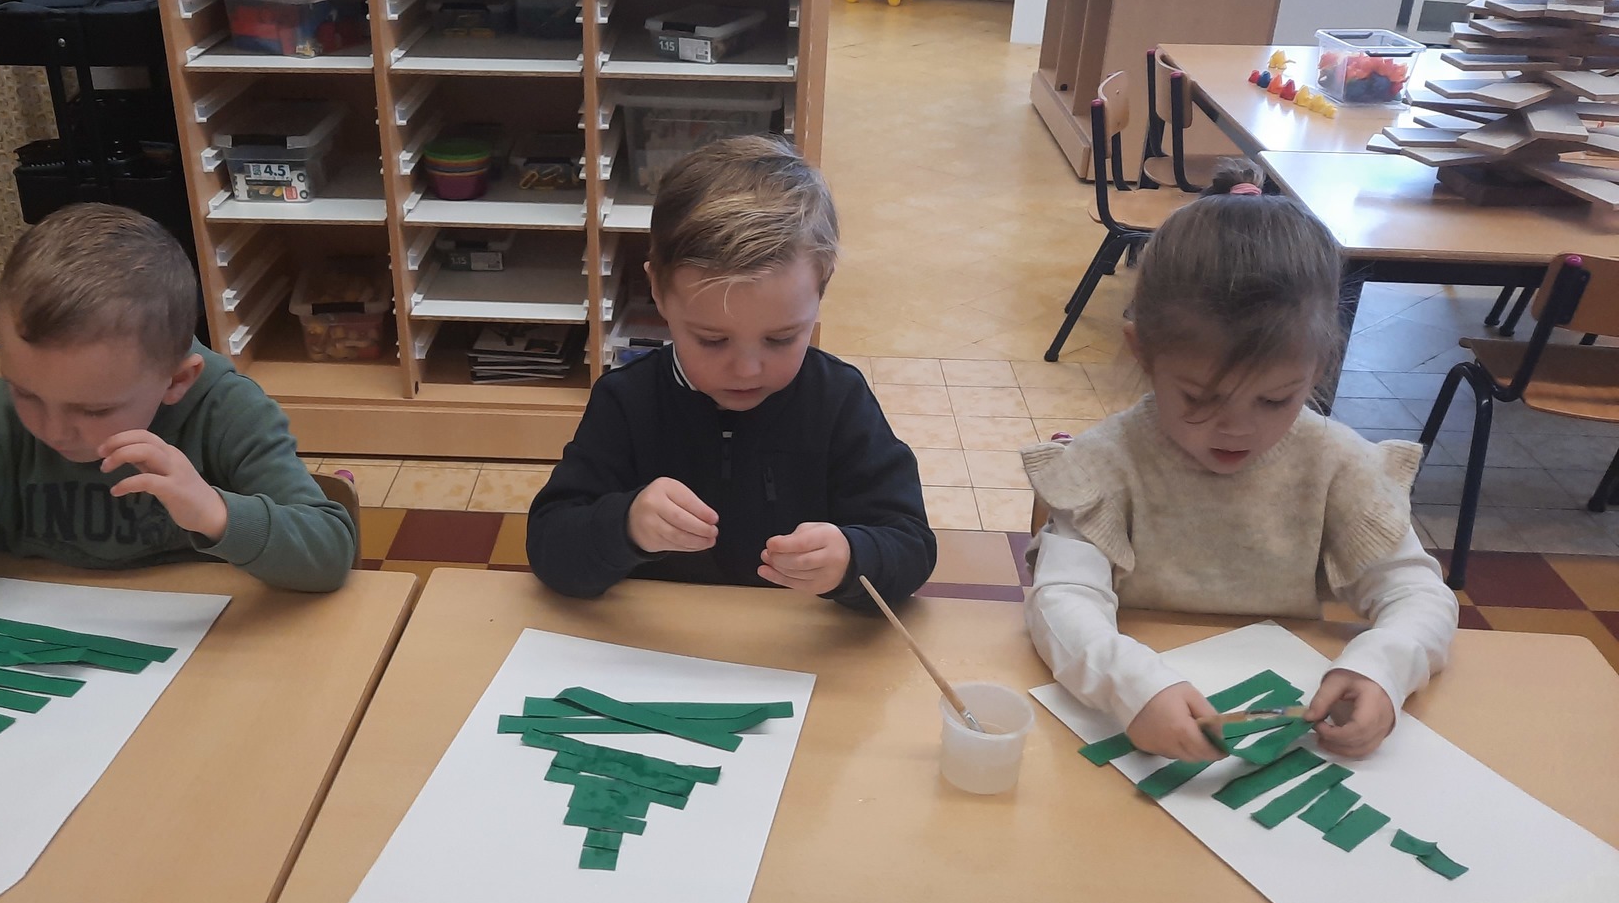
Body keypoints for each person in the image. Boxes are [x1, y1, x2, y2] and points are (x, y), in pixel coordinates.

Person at [0, 202, 356, 768]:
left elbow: (329, 550)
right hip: (31, 673)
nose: (54, 429)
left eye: (93, 410)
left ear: (176, 380)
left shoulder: (227, 412)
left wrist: (216, 512)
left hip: (203, 673)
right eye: (25, 392)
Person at [1021, 163, 1457, 761]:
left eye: (1274, 400)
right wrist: (1130, 684)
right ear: (1142, 353)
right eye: (1199, 398)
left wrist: (1383, 666)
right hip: (1140, 716)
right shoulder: (1108, 463)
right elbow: (1060, 598)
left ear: (1322, 365)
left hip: (1284, 724)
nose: (1236, 428)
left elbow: (1419, 594)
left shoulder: (1337, 463)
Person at [528, 135, 935, 611]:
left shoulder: (840, 400)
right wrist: (625, 525)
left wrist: (852, 559)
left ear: (821, 290)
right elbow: (550, 545)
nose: (746, 369)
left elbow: (911, 545)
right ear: (658, 291)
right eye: (712, 339)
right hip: (657, 639)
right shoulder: (626, 401)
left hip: (794, 641)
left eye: (780, 338)